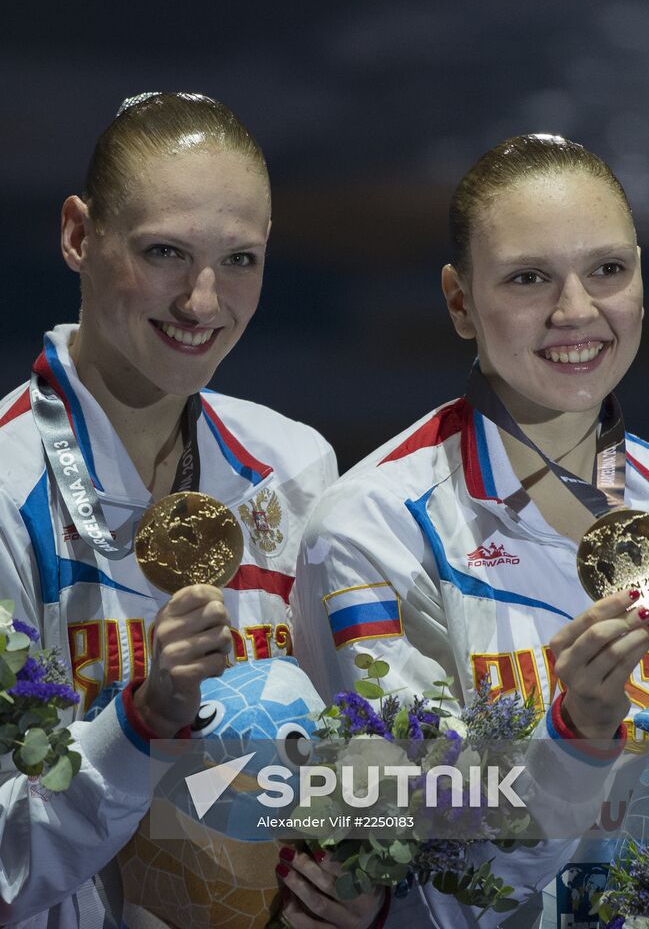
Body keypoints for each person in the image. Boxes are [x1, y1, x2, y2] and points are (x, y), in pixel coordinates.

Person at [291, 134, 649, 926]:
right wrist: (573, 738)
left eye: (608, 270)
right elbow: (422, 868)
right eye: (529, 278)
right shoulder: (375, 524)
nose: (576, 312)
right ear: (459, 301)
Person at [0, 93, 383, 929]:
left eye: (240, 260)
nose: (203, 302)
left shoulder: (295, 467)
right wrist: (142, 723)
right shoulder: (4, 485)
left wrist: (365, 882)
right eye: (165, 252)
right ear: (77, 236)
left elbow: (351, 756)